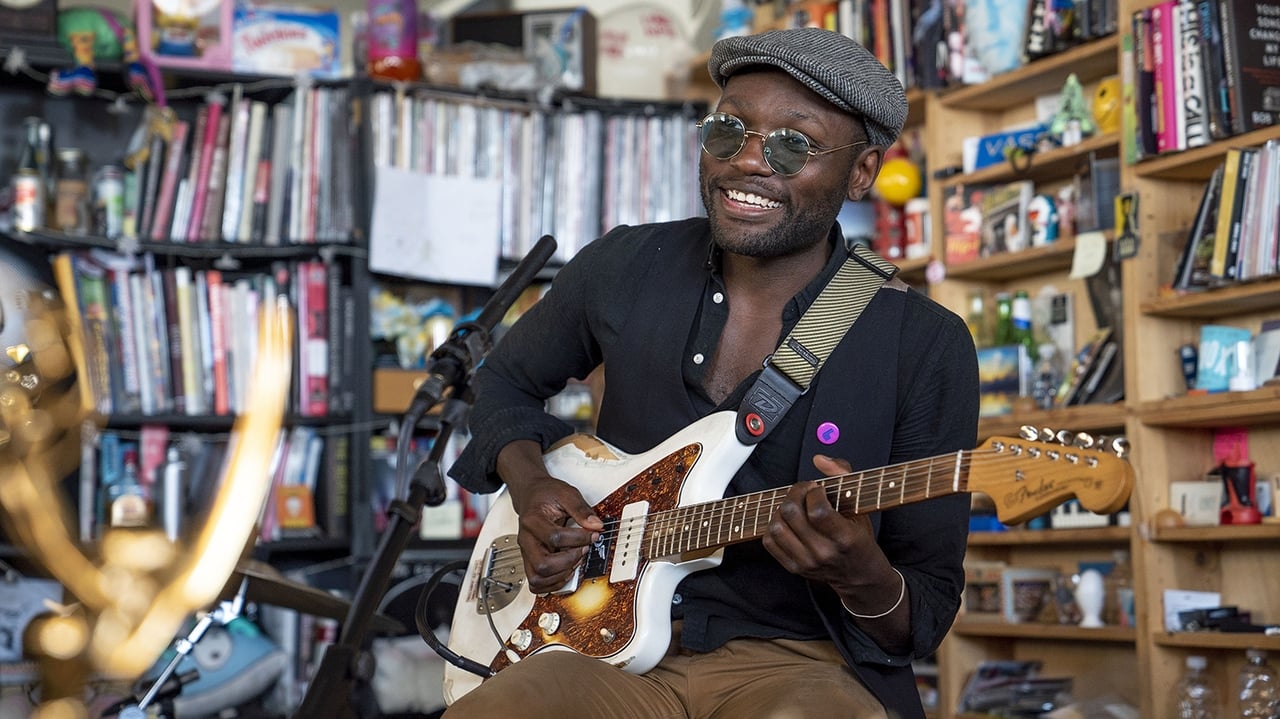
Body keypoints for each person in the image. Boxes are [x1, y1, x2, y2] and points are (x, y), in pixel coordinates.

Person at [444, 26, 979, 719]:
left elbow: (923, 612)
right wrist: (532, 484)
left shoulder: (924, 343)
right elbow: (501, 378)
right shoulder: (624, 266)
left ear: (862, 173)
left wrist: (864, 574)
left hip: (799, 662)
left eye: (795, 143)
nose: (749, 161)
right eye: (729, 130)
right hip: (593, 649)